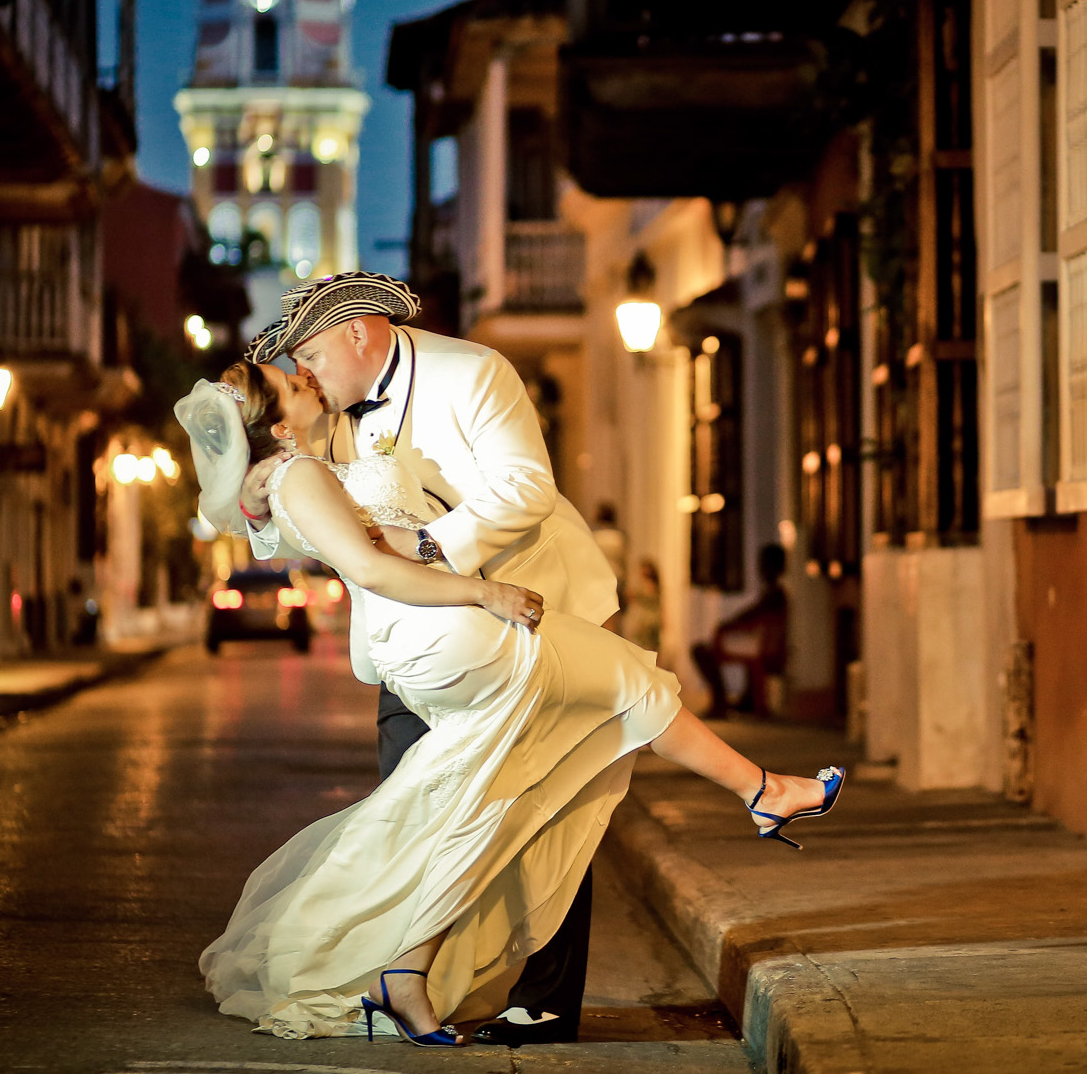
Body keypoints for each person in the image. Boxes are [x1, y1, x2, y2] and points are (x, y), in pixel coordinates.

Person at [174, 362, 846, 1047]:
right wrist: (484, 593)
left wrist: (422, 543)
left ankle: (407, 968)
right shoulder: (303, 475)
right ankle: (763, 790)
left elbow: (380, 544)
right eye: (288, 381)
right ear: (280, 424)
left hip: (423, 635)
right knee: (627, 686)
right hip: (445, 630)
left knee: (494, 791)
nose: (303, 375)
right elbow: (372, 568)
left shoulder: (294, 475)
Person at [233, 272, 616, 1046]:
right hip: (415, 643)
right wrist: (256, 490)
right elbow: (301, 521)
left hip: (535, 606)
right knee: (418, 804)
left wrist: (432, 547)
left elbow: (527, 489)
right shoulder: (325, 413)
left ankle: (544, 996)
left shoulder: (472, 371)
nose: (304, 373)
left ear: (359, 332)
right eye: (294, 364)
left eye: (309, 353)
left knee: (551, 797)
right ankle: (404, 978)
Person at [692, 544, 789, 719]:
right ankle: (741, 699)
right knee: (709, 645)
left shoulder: (775, 594)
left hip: (760, 645)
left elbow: (751, 616)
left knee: (702, 650)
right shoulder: (774, 593)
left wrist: (727, 626)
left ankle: (720, 702)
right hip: (759, 642)